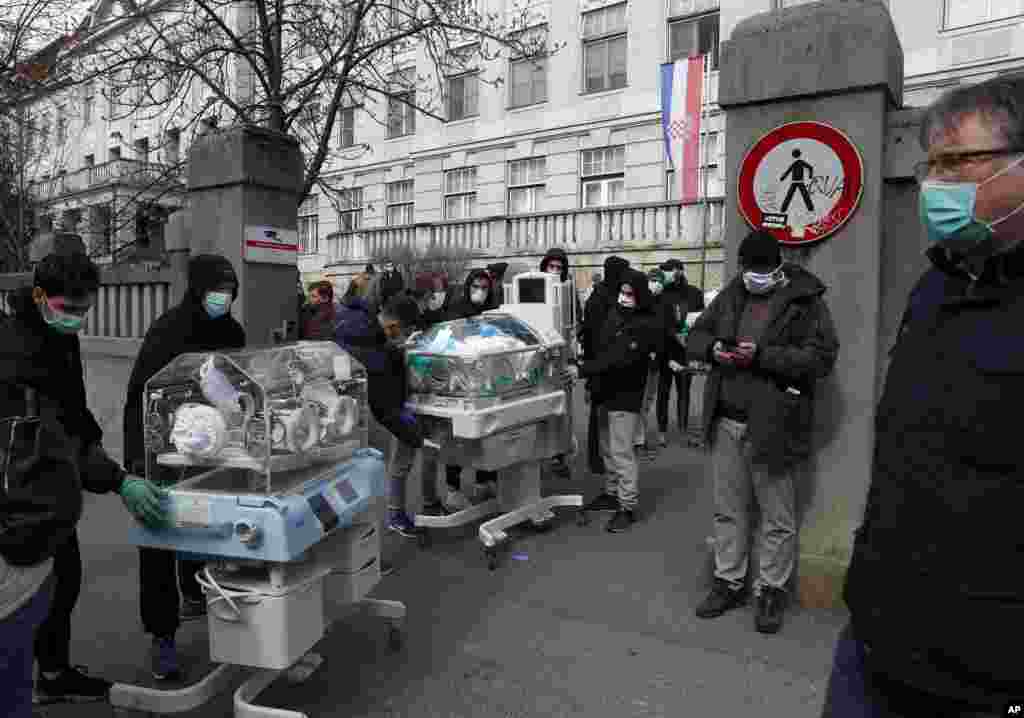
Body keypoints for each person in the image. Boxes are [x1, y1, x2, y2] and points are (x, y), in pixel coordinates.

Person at [822, 76, 1024, 717]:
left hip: (987, 682)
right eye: (928, 164)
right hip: (876, 641)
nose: (933, 185)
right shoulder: (934, 288)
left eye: (956, 162)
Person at [0, 251, 167, 708]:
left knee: (65, 577)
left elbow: (75, 411)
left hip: (53, 486)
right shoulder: (16, 352)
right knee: (25, 598)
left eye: (84, 310)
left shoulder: (57, 337)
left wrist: (102, 457)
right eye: (68, 309)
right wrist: (117, 480)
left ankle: (52, 673)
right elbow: (55, 435)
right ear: (38, 296)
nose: (77, 320)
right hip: (21, 491)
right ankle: (25, 680)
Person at [687, 230, 838, 635]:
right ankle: (728, 581)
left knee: (777, 515)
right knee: (728, 509)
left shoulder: (805, 301)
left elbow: (822, 358)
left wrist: (764, 357)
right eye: (748, 269)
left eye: (762, 270)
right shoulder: (732, 293)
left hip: (774, 423)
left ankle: (771, 591)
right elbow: (696, 336)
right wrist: (713, 350)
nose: (755, 276)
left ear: (779, 267)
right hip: (727, 421)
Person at [122, 254, 246, 681]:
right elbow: (138, 395)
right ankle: (162, 637)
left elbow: (240, 382)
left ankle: (200, 592)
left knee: (207, 524)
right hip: (163, 448)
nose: (223, 297)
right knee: (159, 535)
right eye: (217, 289)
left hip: (212, 447)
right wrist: (138, 461)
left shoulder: (232, 331)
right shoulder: (168, 330)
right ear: (197, 288)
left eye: (229, 290)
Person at [573, 268, 657, 533]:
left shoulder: (644, 324)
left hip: (626, 395)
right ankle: (611, 493)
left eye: (630, 294)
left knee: (622, 452)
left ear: (640, 296)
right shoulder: (615, 314)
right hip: (605, 393)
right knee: (608, 447)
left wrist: (584, 369)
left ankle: (627, 506)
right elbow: (602, 349)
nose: (624, 297)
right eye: (622, 292)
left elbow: (619, 358)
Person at [335, 293, 424, 539]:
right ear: (395, 325)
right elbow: (385, 397)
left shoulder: (367, 332)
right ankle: (370, 534)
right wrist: (411, 431)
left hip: (355, 414)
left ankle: (365, 539)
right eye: (401, 332)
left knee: (362, 477)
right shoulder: (370, 339)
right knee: (369, 477)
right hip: (364, 417)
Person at [441, 268, 500, 511]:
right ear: (468, 287)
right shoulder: (457, 310)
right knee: (458, 438)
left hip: (486, 381)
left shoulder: (493, 311)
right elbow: (448, 341)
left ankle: (484, 481)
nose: (480, 292)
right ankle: (453, 488)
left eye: (484, 288)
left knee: (486, 434)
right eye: (475, 287)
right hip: (461, 382)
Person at [580, 256, 630, 479]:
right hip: (600, 366)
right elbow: (591, 338)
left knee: (604, 416)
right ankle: (598, 459)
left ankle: (602, 459)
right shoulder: (600, 299)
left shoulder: (606, 296)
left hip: (607, 365)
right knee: (600, 416)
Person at [539, 248, 583, 478]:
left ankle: (560, 455)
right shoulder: (535, 288)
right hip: (540, 358)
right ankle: (542, 454)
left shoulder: (568, 293)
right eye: (551, 266)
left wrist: (574, 361)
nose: (554, 271)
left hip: (562, 358)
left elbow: (575, 330)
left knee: (563, 409)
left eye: (559, 268)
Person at [655, 259, 705, 445]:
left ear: (679, 271)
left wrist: (690, 337)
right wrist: (672, 334)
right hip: (666, 350)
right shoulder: (661, 294)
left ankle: (682, 429)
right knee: (664, 390)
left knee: (684, 390)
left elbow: (701, 319)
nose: (667, 275)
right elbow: (658, 321)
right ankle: (662, 430)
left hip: (685, 350)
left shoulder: (694, 293)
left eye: (669, 271)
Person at [632, 267, 667, 462]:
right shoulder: (641, 305)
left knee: (647, 403)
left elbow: (663, 332)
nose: (655, 283)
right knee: (641, 402)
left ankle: (640, 439)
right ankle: (638, 441)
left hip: (656, 362)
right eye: (652, 279)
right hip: (643, 360)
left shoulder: (662, 304)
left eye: (658, 280)